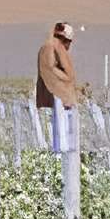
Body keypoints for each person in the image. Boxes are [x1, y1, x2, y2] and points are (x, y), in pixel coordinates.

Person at [33, 21, 82, 153]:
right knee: (61, 137)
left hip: (52, 99)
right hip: (56, 99)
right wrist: (67, 82)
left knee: (59, 134)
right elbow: (56, 72)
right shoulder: (54, 48)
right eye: (69, 42)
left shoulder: (48, 47)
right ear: (66, 40)